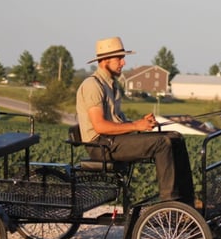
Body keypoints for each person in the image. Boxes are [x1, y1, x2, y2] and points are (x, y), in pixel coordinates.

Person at [76, 36, 195, 205]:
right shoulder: (92, 85)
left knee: (175, 138)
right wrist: (135, 125)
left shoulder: (113, 85)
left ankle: (187, 203)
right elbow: (100, 126)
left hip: (114, 140)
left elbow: (118, 121)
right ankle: (170, 204)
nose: (123, 63)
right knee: (162, 143)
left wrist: (141, 122)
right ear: (104, 61)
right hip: (100, 145)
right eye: (119, 58)